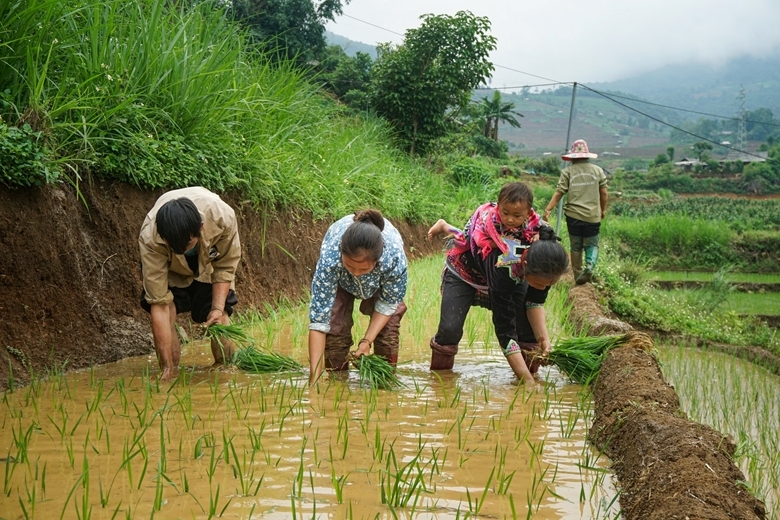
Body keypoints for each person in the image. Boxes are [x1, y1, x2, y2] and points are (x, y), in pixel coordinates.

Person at [427, 182, 569, 384]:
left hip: (512, 268)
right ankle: (439, 382)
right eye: (537, 283)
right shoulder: (501, 260)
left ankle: (531, 370)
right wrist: (527, 383)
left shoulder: (544, 254)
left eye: (546, 285)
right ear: (526, 265)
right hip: (467, 269)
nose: (541, 287)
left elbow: (535, 302)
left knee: (528, 333)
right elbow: (505, 330)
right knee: (449, 329)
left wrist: (543, 339)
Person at [139, 187, 241, 380]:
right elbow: (159, 304)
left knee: (221, 318)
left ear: (200, 228)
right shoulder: (150, 237)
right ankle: (171, 369)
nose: (181, 251)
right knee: (166, 311)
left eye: (186, 245)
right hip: (170, 271)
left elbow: (225, 267)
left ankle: (226, 369)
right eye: (174, 247)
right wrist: (167, 369)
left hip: (207, 267)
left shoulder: (222, 218)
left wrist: (217, 309)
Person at [308, 209, 408, 384]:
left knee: (388, 332)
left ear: (377, 261)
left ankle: (385, 381)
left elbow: (387, 304)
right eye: (350, 266)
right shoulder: (331, 257)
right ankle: (337, 382)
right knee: (335, 329)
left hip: (379, 282)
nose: (355, 273)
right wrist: (313, 378)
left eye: (362, 269)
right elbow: (319, 321)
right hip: (340, 280)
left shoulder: (393, 258)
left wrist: (366, 342)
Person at [543, 139, 608, 285]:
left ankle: (578, 275)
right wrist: (602, 210)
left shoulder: (568, 171)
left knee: (576, 245)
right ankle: (590, 266)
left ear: (573, 156)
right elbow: (604, 193)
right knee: (591, 244)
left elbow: (560, 191)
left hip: (573, 216)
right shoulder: (597, 171)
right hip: (593, 216)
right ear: (587, 155)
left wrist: (548, 209)